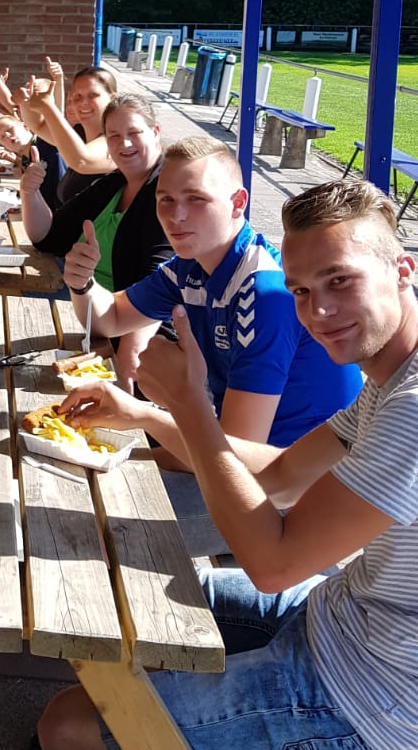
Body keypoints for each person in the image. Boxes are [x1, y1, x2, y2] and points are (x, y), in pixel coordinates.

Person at [38, 177, 418, 750]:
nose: (317, 311)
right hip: (339, 626)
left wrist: (190, 404)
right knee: (112, 606)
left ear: (403, 270)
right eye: (302, 290)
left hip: (383, 701)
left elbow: (273, 560)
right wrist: (147, 414)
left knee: (69, 734)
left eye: (340, 281)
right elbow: (283, 475)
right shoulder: (403, 372)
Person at [61, 136, 362, 553]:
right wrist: (82, 283)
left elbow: (232, 460)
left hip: (291, 502)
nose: (176, 215)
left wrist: (141, 422)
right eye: (165, 200)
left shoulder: (264, 294)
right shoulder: (191, 267)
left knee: (87, 523)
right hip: (238, 464)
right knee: (74, 481)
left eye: (196, 199)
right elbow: (111, 317)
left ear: (238, 203)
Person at [26, 95, 172, 384]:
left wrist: (125, 351)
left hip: (136, 340)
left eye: (134, 132)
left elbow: (157, 290)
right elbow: (48, 238)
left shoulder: (166, 193)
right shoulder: (114, 183)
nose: (124, 143)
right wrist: (29, 192)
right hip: (91, 317)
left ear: (155, 132)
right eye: (114, 135)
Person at [19, 62, 119, 203]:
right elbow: (38, 126)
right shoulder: (79, 133)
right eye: (78, 96)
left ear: (112, 98)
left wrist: (49, 108)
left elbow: (82, 161)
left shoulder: (116, 138)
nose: (83, 102)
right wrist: (24, 101)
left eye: (93, 95)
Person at [0, 111, 63, 211]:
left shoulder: (46, 141)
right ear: (6, 147)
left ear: (26, 126)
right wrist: (15, 160)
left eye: (9, 129)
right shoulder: (25, 159)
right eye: (2, 137)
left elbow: (56, 119)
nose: (7, 135)